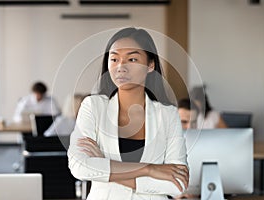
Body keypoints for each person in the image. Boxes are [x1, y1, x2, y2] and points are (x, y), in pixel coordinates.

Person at [68, 27, 189, 200]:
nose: (121, 67)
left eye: (132, 59)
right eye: (114, 59)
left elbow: (177, 184)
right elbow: (79, 167)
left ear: (150, 65)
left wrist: (104, 165)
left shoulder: (168, 115)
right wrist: (150, 169)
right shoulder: (93, 106)